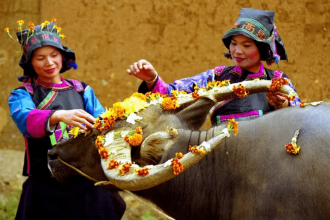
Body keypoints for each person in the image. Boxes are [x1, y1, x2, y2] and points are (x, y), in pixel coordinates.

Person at [6, 19, 125, 219]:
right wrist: (58, 116)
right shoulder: (22, 95)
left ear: (63, 56)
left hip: (86, 186)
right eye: (40, 58)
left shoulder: (82, 91)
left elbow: (104, 125)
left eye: (54, 55)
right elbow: (25, 119)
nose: (49, 63)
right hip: (45, 190)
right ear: (30, 62)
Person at [127, 8, 301, 126]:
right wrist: (152, 79)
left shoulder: (277, 80)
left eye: (246, 45)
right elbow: (172, 95)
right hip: (219, 162)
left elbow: (300, 120)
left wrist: (282, 105)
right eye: (233, 44)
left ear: (262, 50)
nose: (237, 51)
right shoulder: (216, 77)